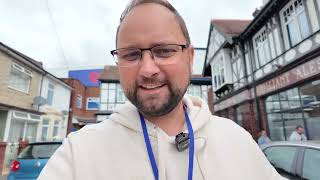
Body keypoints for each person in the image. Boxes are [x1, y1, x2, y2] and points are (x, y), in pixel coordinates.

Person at [38, 0, 282, 179]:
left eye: (164, 51)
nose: (147, 69)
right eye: (131, 54)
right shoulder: (78, 154)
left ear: (190, 57)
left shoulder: (237, 141)